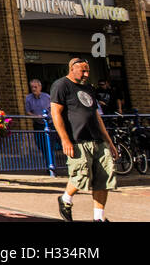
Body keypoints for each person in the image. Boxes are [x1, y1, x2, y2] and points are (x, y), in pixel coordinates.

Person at [52, 57, 120, 221]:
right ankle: (65, 199)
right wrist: (65, 140)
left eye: (88, 70)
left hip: (97, 139)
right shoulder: (61, 85)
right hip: (78, 139)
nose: (86, 74)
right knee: (81, 176)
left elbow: (96, 116)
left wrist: (109, 142)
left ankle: (99, 218)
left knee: (105, 178)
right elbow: (56, 113)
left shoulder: (88, 87)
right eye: (83, 70)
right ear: (72, 68)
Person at [24, 78, 52, 156]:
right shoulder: (28, 98)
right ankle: (47, 162)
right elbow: (28, 112)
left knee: (50, 145)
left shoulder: (47, 97)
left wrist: (46, 116)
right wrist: (36, 116)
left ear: (40, 87)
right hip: (38, 124)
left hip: (49, 123)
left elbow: (52, 109)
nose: (33, 89)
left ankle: (51, 163)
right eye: (32, 87)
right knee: (40, 144)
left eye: (35, 87)